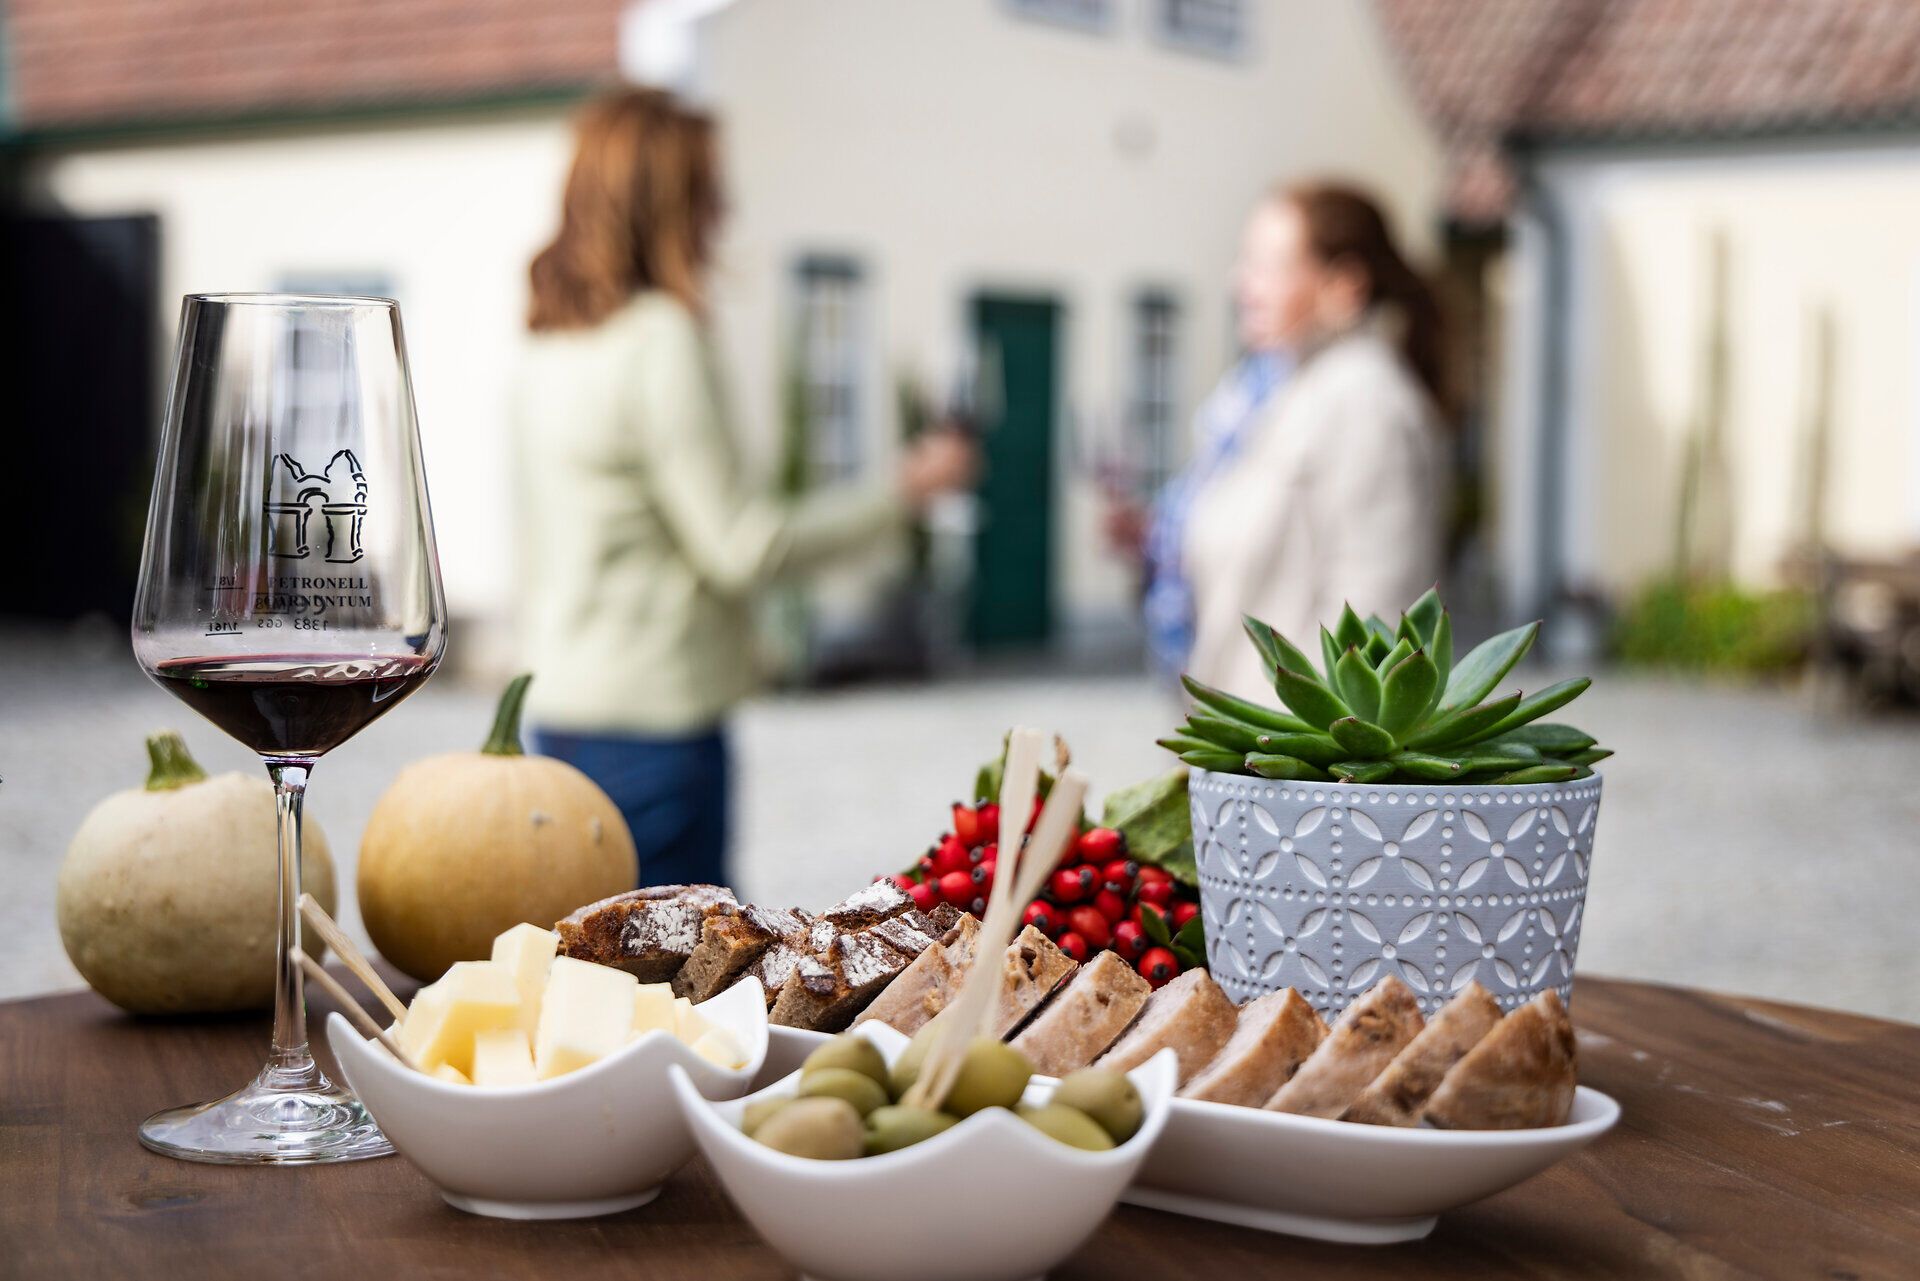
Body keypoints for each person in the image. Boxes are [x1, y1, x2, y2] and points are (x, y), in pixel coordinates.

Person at [510, 89, 974, 890]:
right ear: (668, 200)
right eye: (710, 189)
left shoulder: (548, 346)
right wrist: (903, 491)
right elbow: (742, 545)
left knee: (592, 972)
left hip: (560, 717)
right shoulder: (661, 340)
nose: (724, 213)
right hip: (660, 731)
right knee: (688, 990)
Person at [1118, 181, 1447, 703]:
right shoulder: (1274, 393)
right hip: (1246, 752)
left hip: (1290, 765)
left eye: (1266, 265)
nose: (1240, 284)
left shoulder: (1366, 404)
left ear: (1343, 285)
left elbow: (1374, 626)